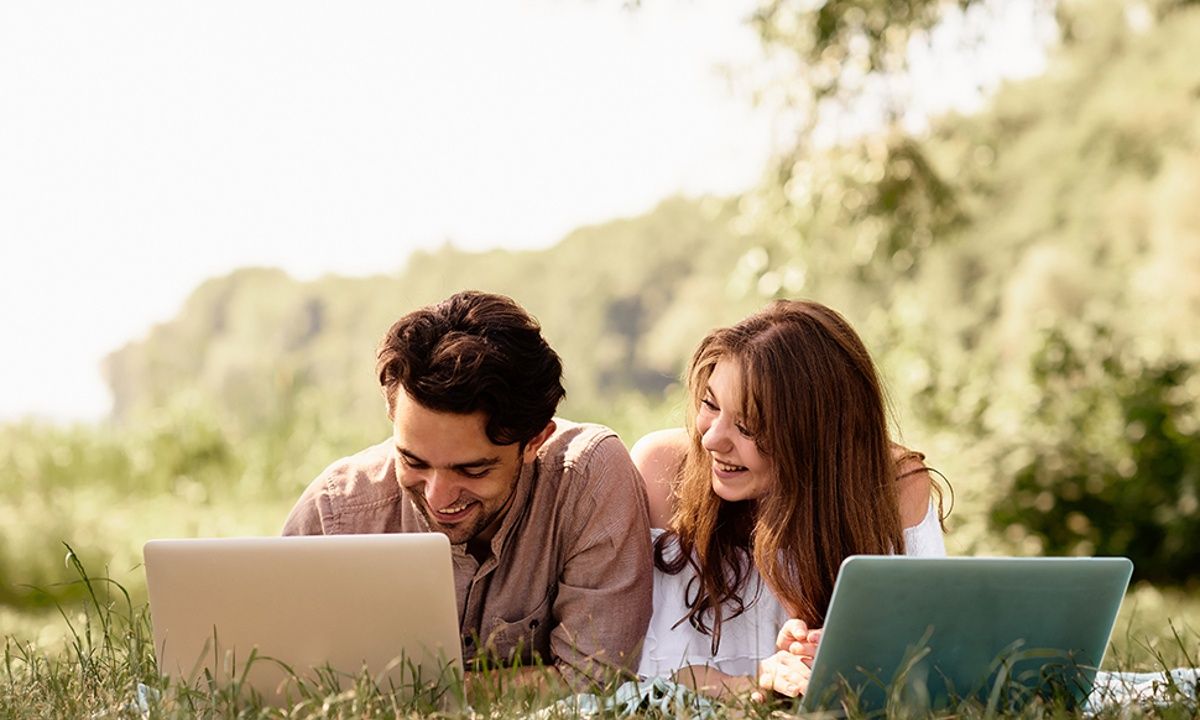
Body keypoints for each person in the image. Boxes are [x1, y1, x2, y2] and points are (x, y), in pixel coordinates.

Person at [283, 290, 653, 690]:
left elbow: (595, 682)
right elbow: (275, 678)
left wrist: (411, 696)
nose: (438, 498)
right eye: (413, 461)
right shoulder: (334, 512)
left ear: (535, 440)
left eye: (472, 469)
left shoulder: (589, 480)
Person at [633, 299, 947, 700]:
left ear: (816, 438)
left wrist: (847, 658)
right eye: (710, 405)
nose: (711, 439)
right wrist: (752, 684)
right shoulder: (662, 469)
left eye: (747, 426)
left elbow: (927, 662)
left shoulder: (893, 484)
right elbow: (633, 671)